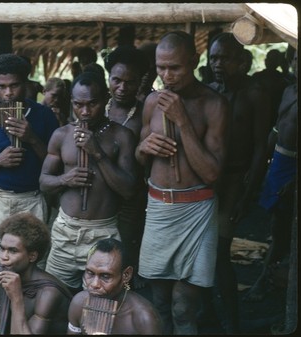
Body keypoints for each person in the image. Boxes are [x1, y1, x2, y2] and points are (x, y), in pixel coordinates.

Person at [134, 31, 228, 334]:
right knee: (159, 301)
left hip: (197, 212)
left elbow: (212, 174)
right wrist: (143, 148)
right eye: (161, 68)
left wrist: (183, 120)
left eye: (175, 68)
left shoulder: (214, 104)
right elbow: (139, 157)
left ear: (194, 61)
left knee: (184, 307)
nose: (166, 76)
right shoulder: (151, 102)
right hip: (159, 208)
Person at [40, 71, 137, 294]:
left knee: (99, 301)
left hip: (102, 233)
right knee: (53, 297)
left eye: (92, 104)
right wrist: (65, 179)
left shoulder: (121, 136)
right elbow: (44, 182)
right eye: (78, 104)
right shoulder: (61, 135)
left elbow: (129, 190)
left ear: (105, 99)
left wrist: (97, 152)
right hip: (65, 231)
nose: (84, 111)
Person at [207, 32, 271, 333]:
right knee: (204, 252)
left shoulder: (253, 93)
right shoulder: (209, 91)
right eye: (214, 58)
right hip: (208, 182)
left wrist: (248, 191)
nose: (219, 64)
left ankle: (232, 323)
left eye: (226, 59)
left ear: (242, 62)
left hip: (234, 180)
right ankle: (209, 313)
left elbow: (261, 146)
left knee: (219, 252)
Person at [0, 54, 59, 249]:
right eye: (1, 87)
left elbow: (57, 167)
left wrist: (32, 138)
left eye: (14, 85)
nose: (8, 93)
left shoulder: (44, 116)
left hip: (32, 200)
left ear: (26, 84)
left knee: (32, 260)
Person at [244, 52, 297, 303]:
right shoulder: (289, 91)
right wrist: (261, 165)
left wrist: (295, 179)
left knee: (284, 228)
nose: (297, 63)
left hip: (293, 166)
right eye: (296, 58)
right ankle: (271, 277)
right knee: (277, 225)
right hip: (278, 162)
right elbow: (276, 130)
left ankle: (266, 280)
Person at [103, 45, 150, 289]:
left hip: (130, 199)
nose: (122, 88)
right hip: (99, 195)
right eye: (116, 80)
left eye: (129, 82)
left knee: (123, 256)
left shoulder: (145, 113)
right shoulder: (96, 106)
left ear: (140, 81)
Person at [0, 212, 72, 334]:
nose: (3, 257)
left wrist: (16, 297)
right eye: (2, 249)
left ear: (32, 256)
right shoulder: (8, 275)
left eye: (13, 251)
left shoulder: (48, 293)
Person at [67, 238, 163, 334]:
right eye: (90, 273)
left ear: (126, 275)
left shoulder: (144, 318)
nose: (94, 284)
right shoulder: (79, 303)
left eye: (105, 276)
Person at [252, 49, 289, 125]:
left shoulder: (282, 80)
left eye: (274, 59)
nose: (270, 62)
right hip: (259, 112)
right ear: (265, 60)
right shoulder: (257, 77)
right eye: (270, 59)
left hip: (275, 113)